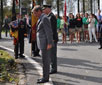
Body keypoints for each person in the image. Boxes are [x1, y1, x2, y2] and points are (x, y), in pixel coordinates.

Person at [32, 5, 53, 83]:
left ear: (39, 11)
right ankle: (44, 76)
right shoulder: (41, 18)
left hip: (45, 43)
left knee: (45, 62)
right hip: (42, 43)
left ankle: (45, 78)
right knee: (44, 61)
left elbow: (49, 32)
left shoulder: (44, 18)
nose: (34, 15)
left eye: (35, 13)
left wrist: (49, 43)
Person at [42, 5, 58, 74]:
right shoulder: (48, 16)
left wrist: (53, 39)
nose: (43, 10)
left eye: (44, 9)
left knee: (52, 54)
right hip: (51, 38)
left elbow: (52, 29)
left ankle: (53, 68)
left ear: (48, 9)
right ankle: (53, 67)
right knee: (51, 54)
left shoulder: (51, 17)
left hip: (53, 39)